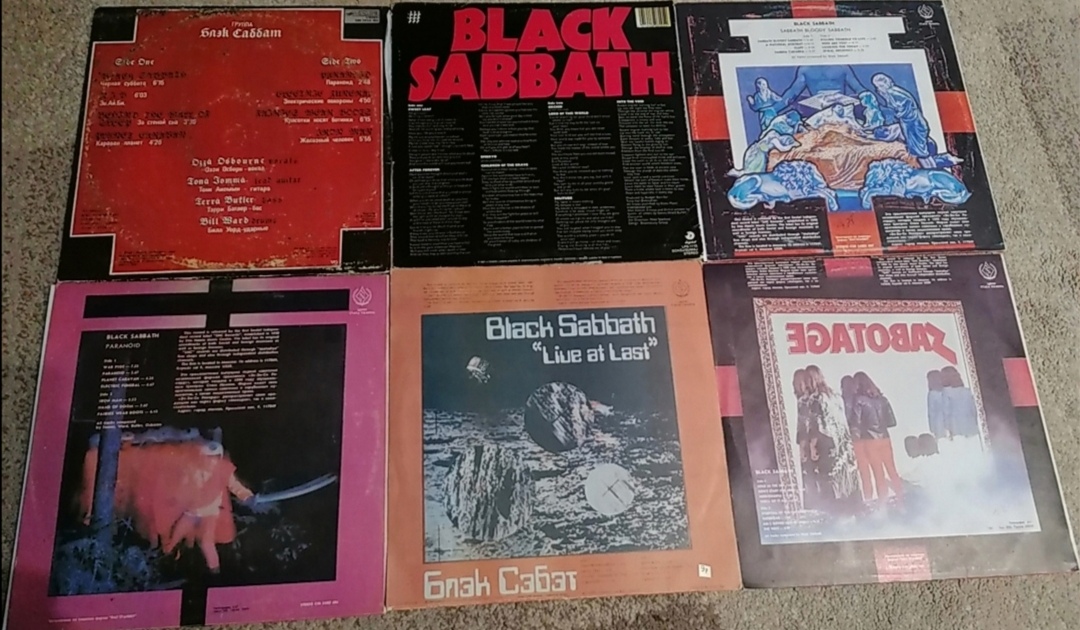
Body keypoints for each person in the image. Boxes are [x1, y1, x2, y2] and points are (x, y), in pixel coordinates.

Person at [163, 441, 255, 574]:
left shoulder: (223, 470)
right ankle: (169, 561)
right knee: (174, 537)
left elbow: (236, 486)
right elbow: (182, 488)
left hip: (210, 513)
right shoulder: (192, 469)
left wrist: (247, 496)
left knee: (207, 543)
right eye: (209, 457)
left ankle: (215, 572)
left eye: (216, 457)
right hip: (192, 511)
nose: (212, 461)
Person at [803, 365, 862, 511]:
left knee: (830, 479)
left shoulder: (815, 399)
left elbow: (815, 425)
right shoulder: (835, 396)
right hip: (844, 443)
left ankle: (838, 512)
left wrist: (812, 446)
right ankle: (854, 508)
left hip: (827, 443)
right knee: (847, 477)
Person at [851, 372, 904, 506]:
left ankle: (882, 503)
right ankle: (901, 498)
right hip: (885, 438)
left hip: (869, 440)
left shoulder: (859, 400)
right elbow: (892, 422)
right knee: (892, 470)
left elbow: (856, 423)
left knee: (878, 472)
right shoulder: (882, 399)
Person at [941, 366, 980, 438]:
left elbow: (974, 410)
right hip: (961, 426)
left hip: (964, 426)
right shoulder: (947, 393)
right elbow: (946, 412)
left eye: (956, 375)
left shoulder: (967, 392)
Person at [926, 370, 949, 439]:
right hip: (942, 421)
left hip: (941, 421)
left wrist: (932, 427)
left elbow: (931, 412)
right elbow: (931, 412)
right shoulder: (933, 394)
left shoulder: (933, 394)